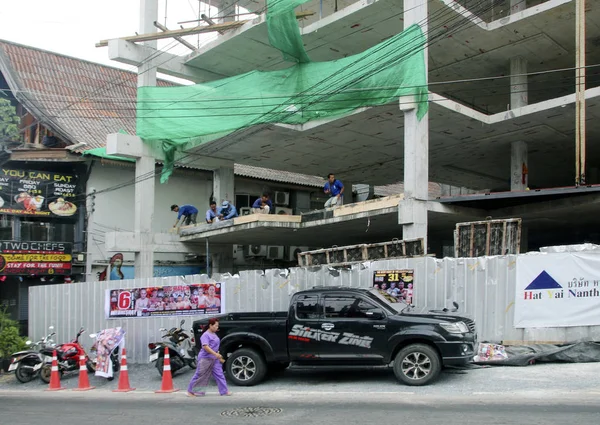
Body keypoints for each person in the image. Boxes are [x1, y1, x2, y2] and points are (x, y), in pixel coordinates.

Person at [187, 318, 232, 397]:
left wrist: (217, 354)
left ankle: (224, 391)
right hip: (205, 358)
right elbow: (205, 347)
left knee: (219, 374)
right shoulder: (205, 335)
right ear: (210, 325)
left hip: (214, 358)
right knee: (199, 374)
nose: (217, 327)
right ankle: (190, 391)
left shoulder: (214, 334)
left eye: (218, 326)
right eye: (216, 326)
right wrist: (215, 354)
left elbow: (214, 346)